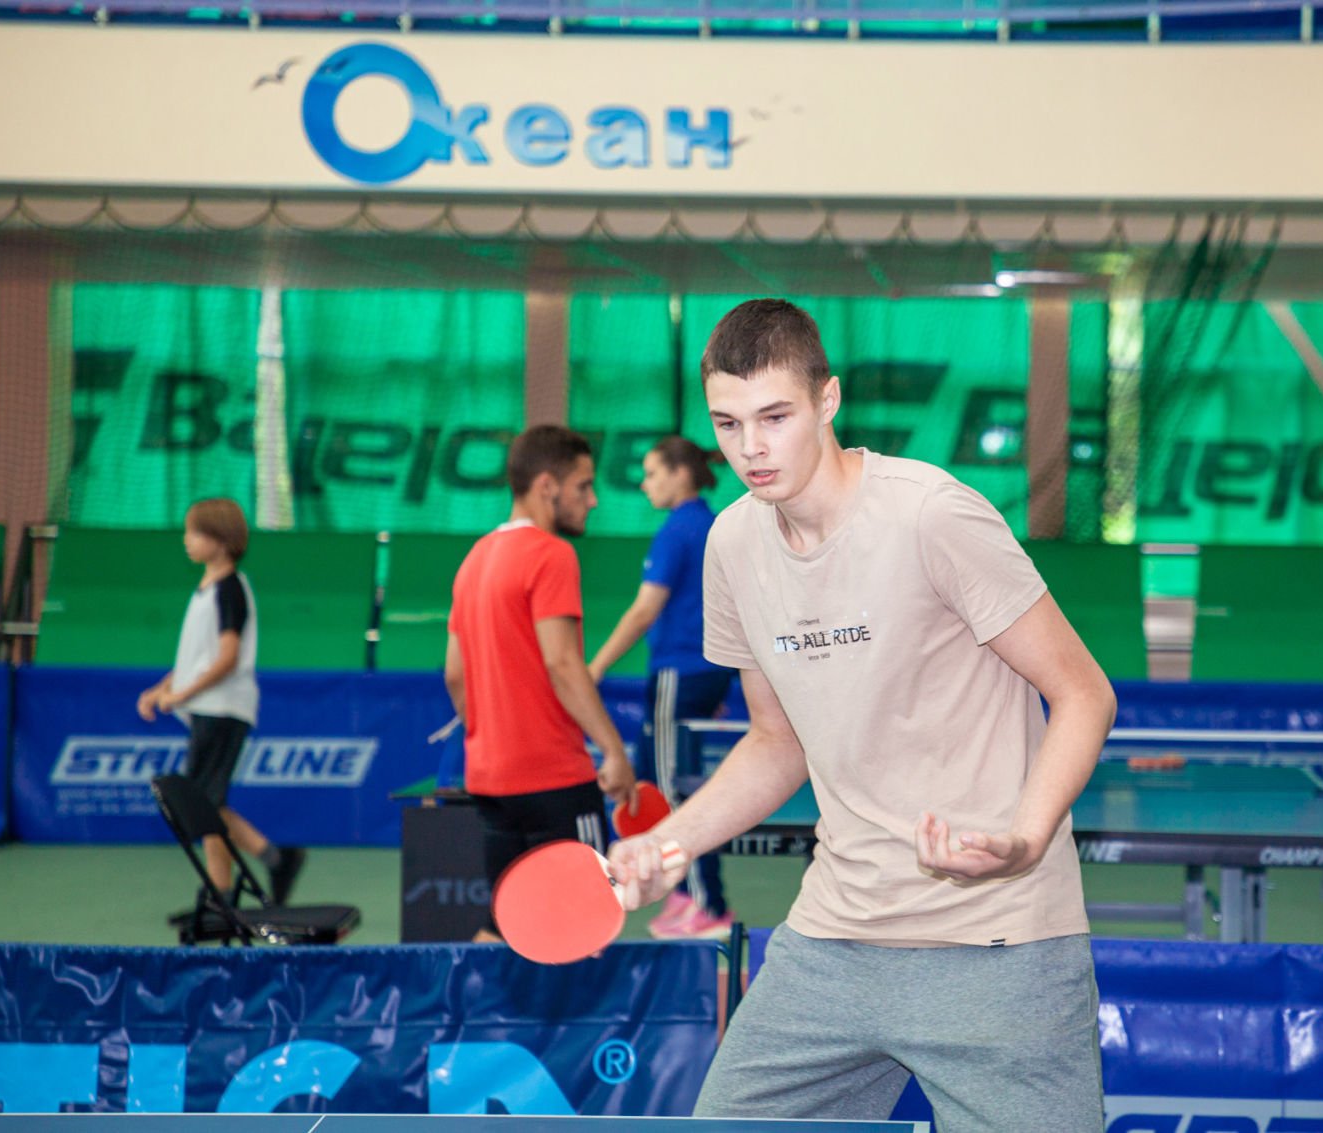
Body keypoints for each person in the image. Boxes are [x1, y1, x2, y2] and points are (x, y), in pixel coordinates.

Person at [611, 299, 1116, 1132]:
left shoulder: (931, 513)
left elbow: (1084, 691)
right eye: (728, 424)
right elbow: (775, 741)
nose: (751, 447)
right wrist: (669, 844)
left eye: (775, 417)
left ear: (828, 400)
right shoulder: (731, 545)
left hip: (997, 942)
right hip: (832, 941)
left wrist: (1026, 838)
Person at [445, 423, 638, 945]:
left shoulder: (473, 560)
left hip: (490, 782)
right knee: (585, 927)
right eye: (583, 486)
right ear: (547, 485)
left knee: (506, 924)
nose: (592, 501)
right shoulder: (552, 554)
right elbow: (563, 664)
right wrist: (613, 751)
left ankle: (481, 1001)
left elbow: (455, 675)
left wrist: (495, 733)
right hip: (554, 781)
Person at [588, 437, 736, 940]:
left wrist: (595, 667)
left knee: (673, 790)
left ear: (680, 474)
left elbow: (644, 611)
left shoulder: (679, 530)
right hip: (704, 673)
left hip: (681, 672)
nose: (644, 484)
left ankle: (707, 905)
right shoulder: (710, 524)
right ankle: (683, 892)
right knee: (656, 780)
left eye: (652, 474)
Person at [137, 498, 305, 906]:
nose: (186, 540)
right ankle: (226, 889)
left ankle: (269, 862)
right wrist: (161, 689)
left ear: (222, 541)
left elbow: (227, 658)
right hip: (208, 709)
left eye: (195, 533)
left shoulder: (230, 589)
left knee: (204, 804)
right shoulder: (205, 591)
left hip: (223, 709)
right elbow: (196, 659)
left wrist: (181, 695)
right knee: (207, 803)